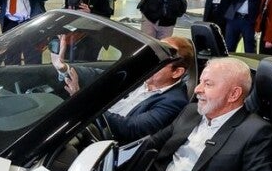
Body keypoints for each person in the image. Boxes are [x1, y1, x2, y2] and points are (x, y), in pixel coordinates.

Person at [141, 57, 272, 171]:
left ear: (233, 94)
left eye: (208, 84)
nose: (197, 89)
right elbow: (149, 144)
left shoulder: (255, 131)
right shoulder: (190, 112)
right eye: (200, 82)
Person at [55, 36, 194, 143]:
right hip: (89, 122)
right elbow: (103, 75)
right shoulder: (142, 74)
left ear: (177, 72)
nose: (150, 63)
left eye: (160, 61)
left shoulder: (174, 102)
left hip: (103, 140)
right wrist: (65, 68)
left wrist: (84, 103)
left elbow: (130, 129)